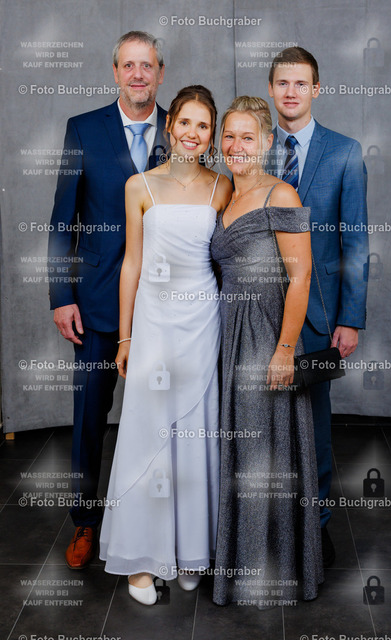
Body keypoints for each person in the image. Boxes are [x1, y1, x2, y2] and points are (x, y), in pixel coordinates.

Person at [99, 85, 232, 605]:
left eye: (203, 125)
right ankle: (142, 561)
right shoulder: (139, 186)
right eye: (185, 122)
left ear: (210, 134)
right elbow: (131, 264)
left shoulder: (222, 187)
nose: (192, 134)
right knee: (148, 436)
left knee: (196, 434)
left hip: (203, 320)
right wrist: (125, 335)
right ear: (170, 125)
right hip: (153, 322)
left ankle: (192, 551)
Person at [47, 31, 168, 569]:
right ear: (115, 72)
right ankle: (84, 522)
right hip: (95, 303)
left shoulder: (184, 127)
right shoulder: (83, 129)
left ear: (160, 73)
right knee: (90, 418)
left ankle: (159, 524)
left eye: (148, 66)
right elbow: (61, 221)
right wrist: (61, 295)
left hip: (166, 303)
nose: (138, 74)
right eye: (129, 66)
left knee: (163, 417)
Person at [211, 96, 323, 608]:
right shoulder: (225, 195)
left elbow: (301, 277)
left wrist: (284, 351)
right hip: (226, 335)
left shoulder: (283, 194)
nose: (236, 145)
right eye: (229, 136)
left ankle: (272, 568)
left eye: (247, 137)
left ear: (267, 141)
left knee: (265, 449)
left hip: (266, 335)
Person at [266, 47, 369, 566]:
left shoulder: (345, 151)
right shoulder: (252, 147)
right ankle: (266, 526)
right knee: (264, 423)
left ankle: (318, 526)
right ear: (271, 89)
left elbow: (356, 242)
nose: (291, 92)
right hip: (260, 312)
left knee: (316, 427)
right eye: (282, 83)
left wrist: (350, 318)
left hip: (321, 315)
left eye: (300, 83)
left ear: (316, 89)